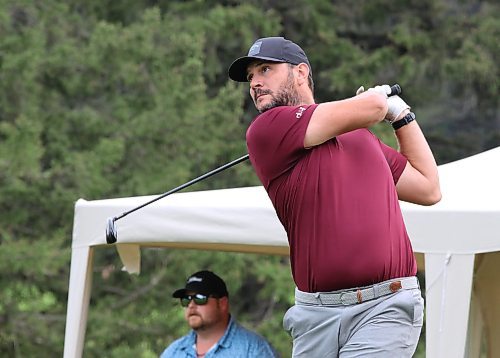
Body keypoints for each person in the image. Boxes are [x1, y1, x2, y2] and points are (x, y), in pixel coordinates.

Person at [228, 37, 441, 357]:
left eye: (265, 70)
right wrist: (378, 101)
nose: (255, 82)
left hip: (385, 306)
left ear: (300, 72)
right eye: (251, 77)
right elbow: (372, 107)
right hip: (315, 316)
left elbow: (428, 188)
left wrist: (402, 115)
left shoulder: (361, 138)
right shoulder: (266, 130)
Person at [160, 270, 277, 358]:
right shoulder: (172, 352)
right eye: (186, 299)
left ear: (223, 304)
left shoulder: (254, 350)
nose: (191, 305)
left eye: (200, 298)